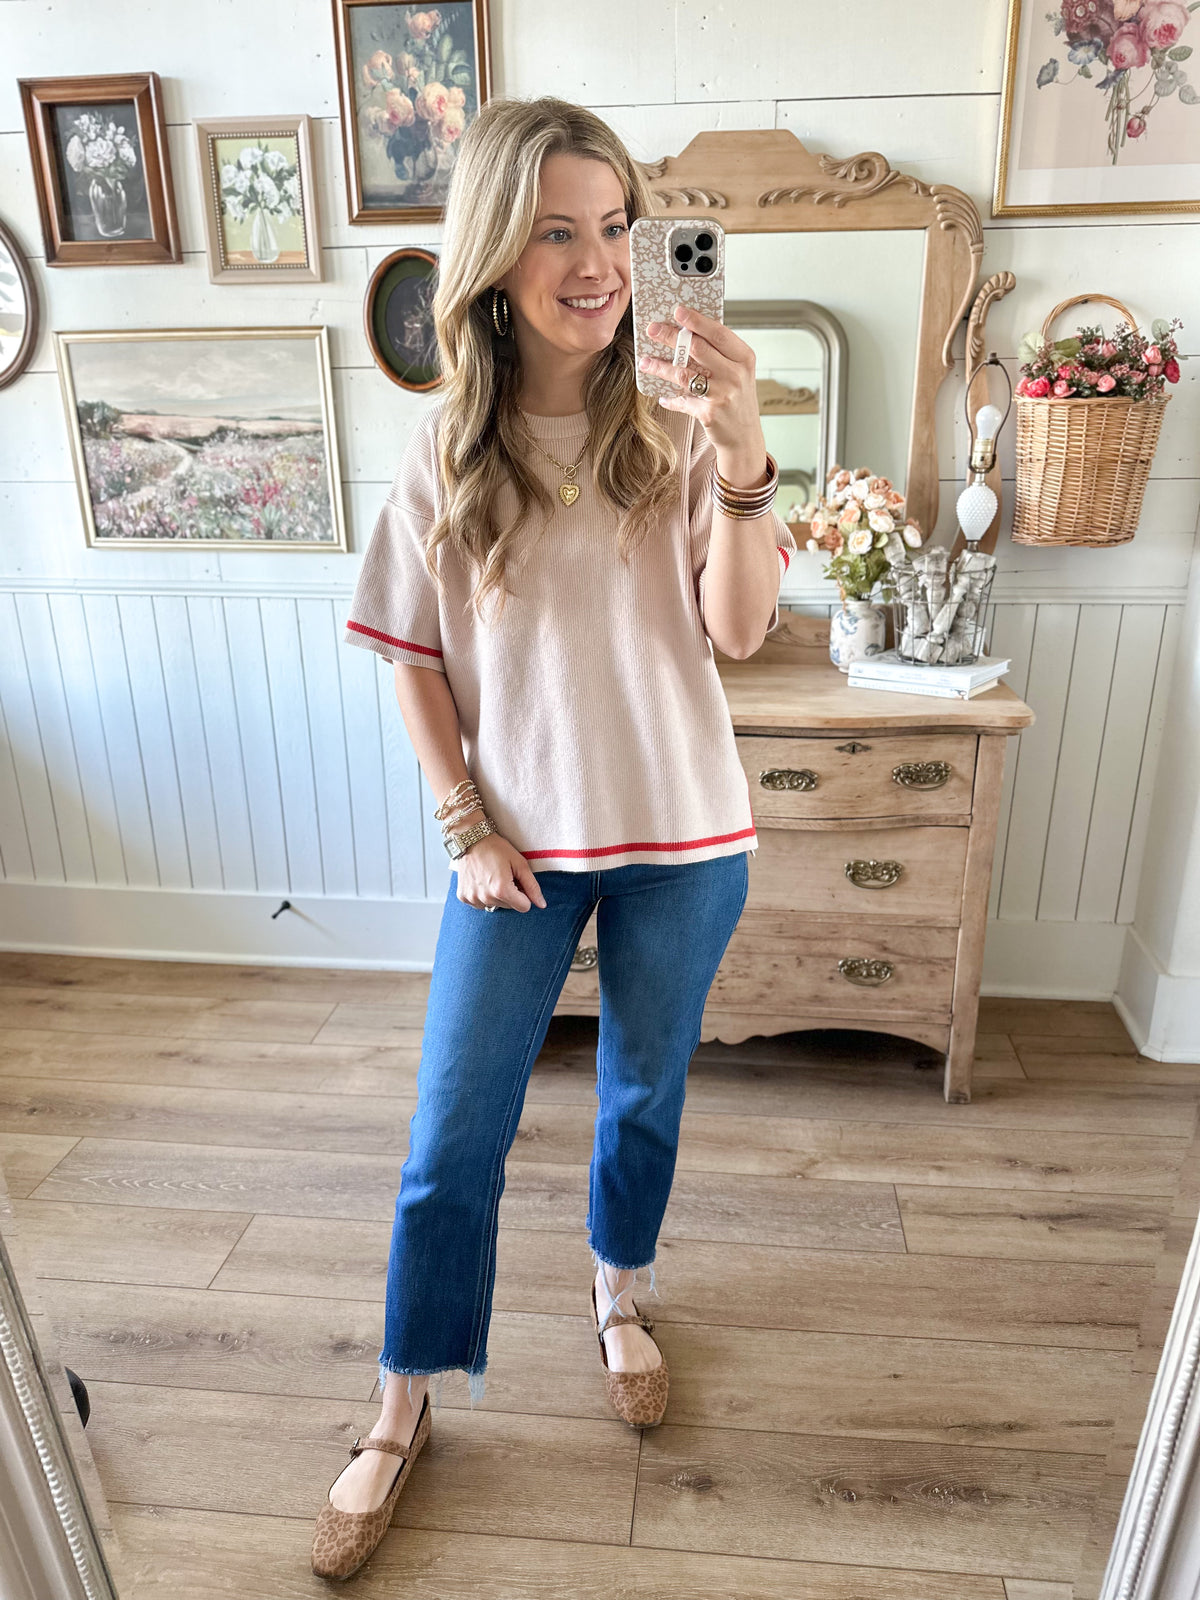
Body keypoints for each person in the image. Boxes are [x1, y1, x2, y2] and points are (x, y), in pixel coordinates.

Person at [311, 93, 796, 1580]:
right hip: (513, 847)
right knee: (452, 1136)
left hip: (686, 833)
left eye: (615, 230)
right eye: (555, 233)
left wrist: (744, 449)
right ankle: (401, 1406)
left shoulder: (676, 419)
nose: (593, 263)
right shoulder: (442, 448)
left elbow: (738, 632)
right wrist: (462, 821)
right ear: (494, 256)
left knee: (642, 1094)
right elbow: (413, 656)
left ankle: (617, 1293)